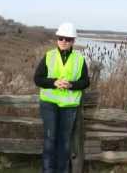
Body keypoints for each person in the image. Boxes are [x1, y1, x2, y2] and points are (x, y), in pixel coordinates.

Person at [34, 22, 90, 173]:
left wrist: (71, 85)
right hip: (49, 104)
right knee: (50, 141)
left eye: (68, 39)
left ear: (73, 41)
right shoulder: (49, 56)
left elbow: (85, 82)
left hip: (69, 106)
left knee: (65, 142)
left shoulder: (79, 59)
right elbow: (37, 79)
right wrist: (54, 82)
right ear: (57, 39)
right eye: (61, 38)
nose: (64, 42)